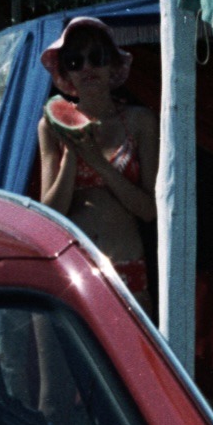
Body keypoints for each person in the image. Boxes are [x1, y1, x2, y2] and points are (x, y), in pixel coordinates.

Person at [37, 18, 159, 311]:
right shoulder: (49, 126)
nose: (87, 67)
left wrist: (98, 163)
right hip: (73, 270)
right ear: (66, 73)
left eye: (97, 57)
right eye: (75, 61)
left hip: (126, 268)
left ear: (113, 65)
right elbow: (50, 213)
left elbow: (150, 210)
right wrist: (72, 155)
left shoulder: (140, 121)